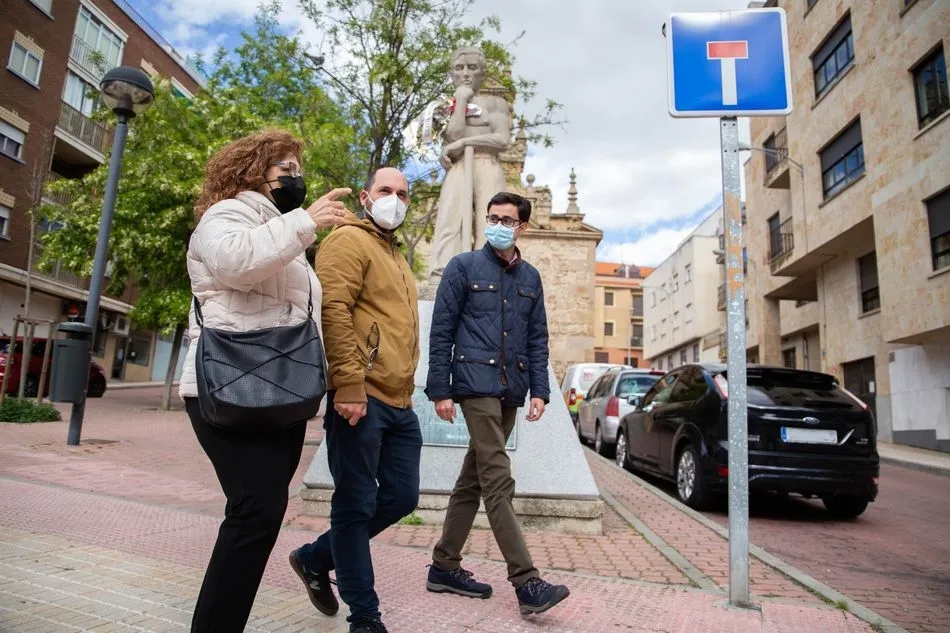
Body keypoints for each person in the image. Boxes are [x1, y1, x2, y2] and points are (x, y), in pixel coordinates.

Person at [180, 129, 350, 633]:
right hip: (228, 386)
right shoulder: (227, 214)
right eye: (287, 171)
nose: (297, 179)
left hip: (279, 390)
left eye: (299, 170)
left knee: (262, 512)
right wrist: (305, 221)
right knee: (254, 510)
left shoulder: (283, 232)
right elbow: (236, 263)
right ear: (255, 171)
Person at [423, 191, 571, 615]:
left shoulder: (531, 278)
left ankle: (443, 565)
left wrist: (540, 390)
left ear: (522, 225)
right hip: (475, 385)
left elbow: (538, 337)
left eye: (507, 219)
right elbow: (442, 330)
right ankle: (527, 583)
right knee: (497, 478)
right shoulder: (463, 267)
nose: (499, 225)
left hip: (512, 387)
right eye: (493, 217)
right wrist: (440, 389)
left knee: (472, 479)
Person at [289, 168, 422, 633]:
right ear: (367, 197)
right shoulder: (348, 240)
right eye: (386, 191)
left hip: (400, 402)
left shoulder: (397, 255)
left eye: (403, 194)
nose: (395, 200)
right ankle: (365, 618)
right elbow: (333, 308)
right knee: (356, 504)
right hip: (360, 395)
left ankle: (313, 557)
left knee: (402, 497)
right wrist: (348, 384)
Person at [428, 46, 510, 280]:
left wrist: (463, 144)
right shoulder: (447, 108)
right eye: (459, 68)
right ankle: (444, 272)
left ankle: (491, 271)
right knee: (450, 217)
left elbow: (502, 139)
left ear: (481, 72)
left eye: (472, 68)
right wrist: (461, 101)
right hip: (460, 166)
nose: (465, 73)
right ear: (452, 73)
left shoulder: (495, 103)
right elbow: (453, 136)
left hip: (486, 162)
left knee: (492, 219)